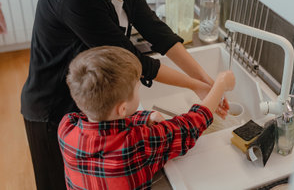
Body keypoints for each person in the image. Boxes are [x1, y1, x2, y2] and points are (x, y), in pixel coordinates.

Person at [21, 0, 229, 190]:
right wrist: (198, 87)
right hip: (54, 108)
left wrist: (202, 79)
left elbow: (154, 28)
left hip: (89, 102)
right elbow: (132, 60)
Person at [58, 46, 235, 189]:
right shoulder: (139, 143)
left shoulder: (66, 126)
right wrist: (220, 85)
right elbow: (190, 126)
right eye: (137, 87)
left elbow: (106, 127)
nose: (139, 90)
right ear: (123, 109)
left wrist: (143, 118)